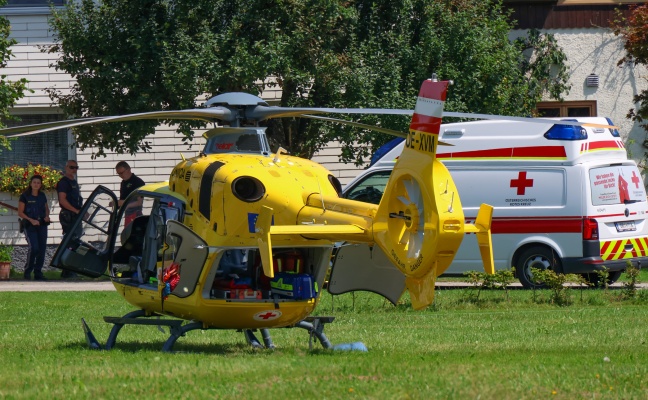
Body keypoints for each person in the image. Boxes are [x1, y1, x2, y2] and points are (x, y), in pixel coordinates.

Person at [17, 175, 51, 281]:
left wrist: (47, 217)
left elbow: (46, 209)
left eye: (38, 183)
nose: (36, 184)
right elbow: (20, 212)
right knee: (34, 248)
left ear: (40, 185)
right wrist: (31, 220)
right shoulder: (25, 196)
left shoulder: (42, 195)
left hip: (41, 225)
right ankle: (28, 271)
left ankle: (38, 273)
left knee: (41, 249)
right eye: (34, 182)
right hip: (29, 225)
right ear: (31, 184)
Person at [57, 160, 83, 278]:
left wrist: (81, 211)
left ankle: (69, 268)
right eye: (72, 167)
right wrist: (76, 211)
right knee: (70, 241)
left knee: (75, 241)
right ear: (66, 167)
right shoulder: (64, 182)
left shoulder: (74, 182)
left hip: (76, 215)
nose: (74, 170)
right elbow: (62, 200)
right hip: (68, 215)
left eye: (76, 168)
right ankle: (67, 269)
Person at [115, 161, 145, 226]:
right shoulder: (123, 183)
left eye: (122, 173)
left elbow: (139, 202)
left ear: (128, 169)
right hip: (127, 215)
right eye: (118, 174)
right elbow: (122, 199)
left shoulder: (138, 182)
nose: (121, 176)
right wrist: (115, 203)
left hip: (136, 215)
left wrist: (126, 204)